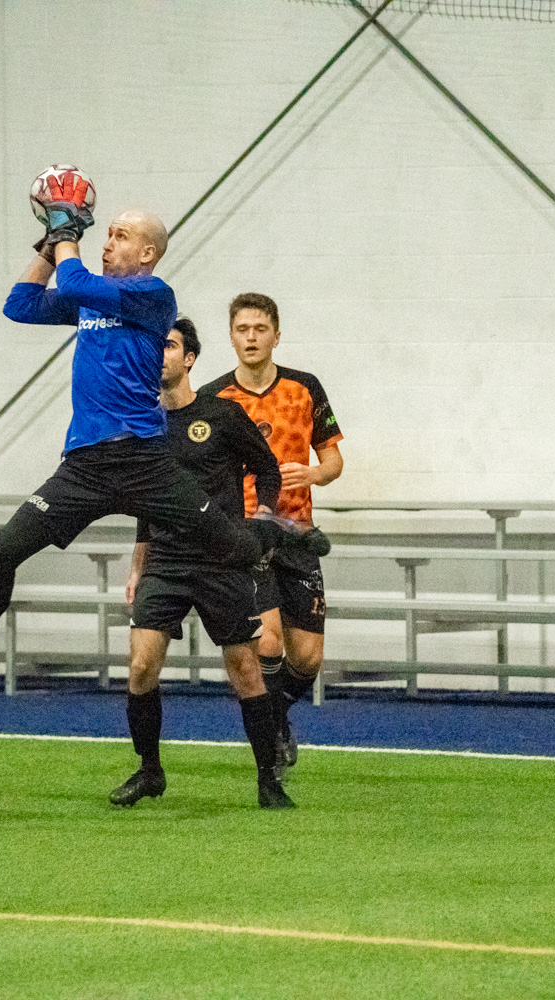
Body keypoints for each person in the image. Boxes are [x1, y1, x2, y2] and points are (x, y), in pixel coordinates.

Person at [0, 183, 323, 711]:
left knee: (234, 544)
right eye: (104, 233)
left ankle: (282, 538)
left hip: (142, 461)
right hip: (84, 466)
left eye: (120, 235)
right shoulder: (90, 299)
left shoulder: (154, 297)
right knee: (1, 550)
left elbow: (77, 276)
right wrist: (48, 243)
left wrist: (67, 235)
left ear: (147, 253)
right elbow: (20, 304)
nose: (106, 242)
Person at [114, 317, 293, 809]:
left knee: (245, 670)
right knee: (140, 666)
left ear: (189, 358)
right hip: (166, 562)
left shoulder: (223, 415)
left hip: (220, 562)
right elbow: (148, 505)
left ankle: (268, 781)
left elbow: (268, 470)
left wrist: (262, 522)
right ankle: (150, 772)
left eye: (168, 346)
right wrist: (137, 567)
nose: (159, 355)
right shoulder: (143, 425)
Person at [202, 293, 344, 774]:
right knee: (268, 643)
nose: (251, 337)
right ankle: (272, 738)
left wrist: (316, 475)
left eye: (260, 329)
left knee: (308, 659)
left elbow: (333, 460)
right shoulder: (214, 399)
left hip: (298, 535)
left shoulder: (305, 388)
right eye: (242, 329)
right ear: (231, 336)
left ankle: (274, 714)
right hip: (245, 537)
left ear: (276, 335)